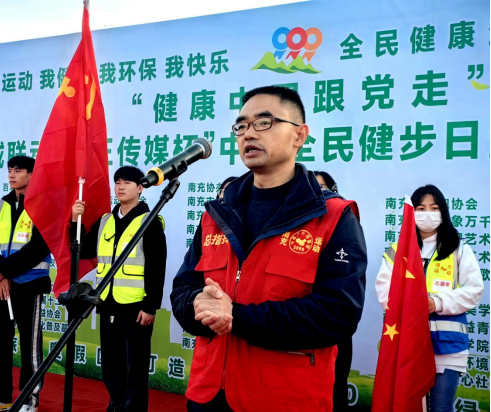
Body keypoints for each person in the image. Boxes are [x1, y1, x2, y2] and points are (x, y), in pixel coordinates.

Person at [171, 86, 367, 412]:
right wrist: (197, 306)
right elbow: (182, 288)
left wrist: (237, 317)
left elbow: (338, 314)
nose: (249, 133)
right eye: (241, 126)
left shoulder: (334, 216)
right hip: (208, 394)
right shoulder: (217, 215)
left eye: (264, 122)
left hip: (283, 399)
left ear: (299, 135)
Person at [376, 185, 484, 412]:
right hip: (407, 345)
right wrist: (410, 306)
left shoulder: (459, 249)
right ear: (412, 213)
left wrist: (436, 303)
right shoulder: (397, 250)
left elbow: (474, 290)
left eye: (434, 208)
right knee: (408, 405)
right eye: (421, 208)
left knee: (441, 407)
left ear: (443, 212)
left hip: (447, 346)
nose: (428, 214)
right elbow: (384, 290)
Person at [71, 166, 167, 412]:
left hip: (136, 307)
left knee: (134, 367)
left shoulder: (149, 221)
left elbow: (157, 266)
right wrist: (75, 222)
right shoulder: (106, 220)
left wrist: (150, 306)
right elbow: (85, 250)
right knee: (111, 366)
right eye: (118, 182)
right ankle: (115, 407)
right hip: (106, 303)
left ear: (140, 188)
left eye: (127, 182)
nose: (121, 187)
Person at [0, 156, 51, 412]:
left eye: (18, 171)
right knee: (0, 342)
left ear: (31, 175)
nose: (12, 175)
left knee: (30, 347)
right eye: (10, 170)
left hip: (30, 285)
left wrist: (5, 270)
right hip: (1, 287)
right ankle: (0, 396)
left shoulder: (42, 205)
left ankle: (29, 400)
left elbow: (39, 247)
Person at [314, 170, 354, 411]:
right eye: (313, 187)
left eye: (323, 188)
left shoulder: (343, 221)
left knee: (336, 386)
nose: (319, 193)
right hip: (303, 325)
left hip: (333, 327)